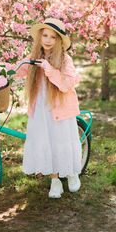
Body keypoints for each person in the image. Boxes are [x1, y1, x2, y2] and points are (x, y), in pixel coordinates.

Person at [15, 17, 82, 198]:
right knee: (48, 142)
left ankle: (71, 173)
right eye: (45, 35)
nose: (48, 40)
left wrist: (50, 70)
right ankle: (55, 180)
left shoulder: (65, 60)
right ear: (40, 36)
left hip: (60, 108)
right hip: (41, 108)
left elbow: (67, 84)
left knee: (62, 141)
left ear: (59, 40)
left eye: (53, 37)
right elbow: (18, 69)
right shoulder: (35, 56)